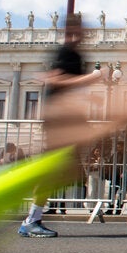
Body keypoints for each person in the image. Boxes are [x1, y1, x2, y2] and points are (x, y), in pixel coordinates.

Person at [18, 13, 104, 238]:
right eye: (80, 28)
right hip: (58, 122)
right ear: (72, 31)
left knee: (63, 171)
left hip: (66, 120)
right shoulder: (66, 52)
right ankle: (31, 219)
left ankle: (33, 217)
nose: (84, 32)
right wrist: (91, 78)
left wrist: (88, 100)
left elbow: (65, 85)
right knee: (54, 171)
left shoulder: (75, 54)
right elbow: (55, 79)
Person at [108, 140, 127, 216]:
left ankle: (118, 209)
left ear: (123, 147)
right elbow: (110, 164)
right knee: (112, 192)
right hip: (115, 176)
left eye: (120, 147)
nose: (118, 148)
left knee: (122, 193)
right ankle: (110, 208)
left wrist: (125, 172)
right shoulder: (114, 155)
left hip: (125, 177)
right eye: (117, 147)